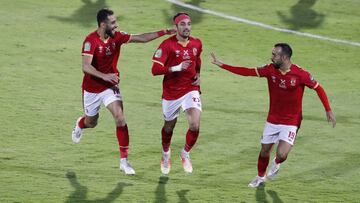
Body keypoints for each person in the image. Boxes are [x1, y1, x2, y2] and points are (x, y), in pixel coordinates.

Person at [211, 43, 336, 187]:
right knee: (264, 151)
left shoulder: (301, 74)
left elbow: (318, 88)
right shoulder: (270, 70)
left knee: (282, 154)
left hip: (291, 121)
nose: (271, 57)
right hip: (273, 119)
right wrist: (222, 65)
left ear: (284, 57)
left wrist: (328, 109)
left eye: (274, 55)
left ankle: (276, 163)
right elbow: (247, 71)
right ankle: (260, 177)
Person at [71, 8, 176, 175]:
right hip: (92, 88)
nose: (116, 25)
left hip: (110, 86)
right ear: (103, 24)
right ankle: (80, 124)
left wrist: (164, 32)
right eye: (113, 23)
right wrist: (104, 76)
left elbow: (141, 38)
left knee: (120, 117)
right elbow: (86, 66)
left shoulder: (117, 37)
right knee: (91, 122)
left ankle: (124, 161)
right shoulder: (90, 41)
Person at [151, 12, 203, 175]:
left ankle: (185, 153)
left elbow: (197, 60)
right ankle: (166, 153)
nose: (186, 27)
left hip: (190, 89)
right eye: (182, 24)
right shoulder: (167, 45)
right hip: (171, 92)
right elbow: (155, 70)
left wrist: (198, 75)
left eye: (188, 24)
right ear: (176, 27)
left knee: (194, 125)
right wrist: (176, 67)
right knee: (168, 127)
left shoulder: (197, 43)